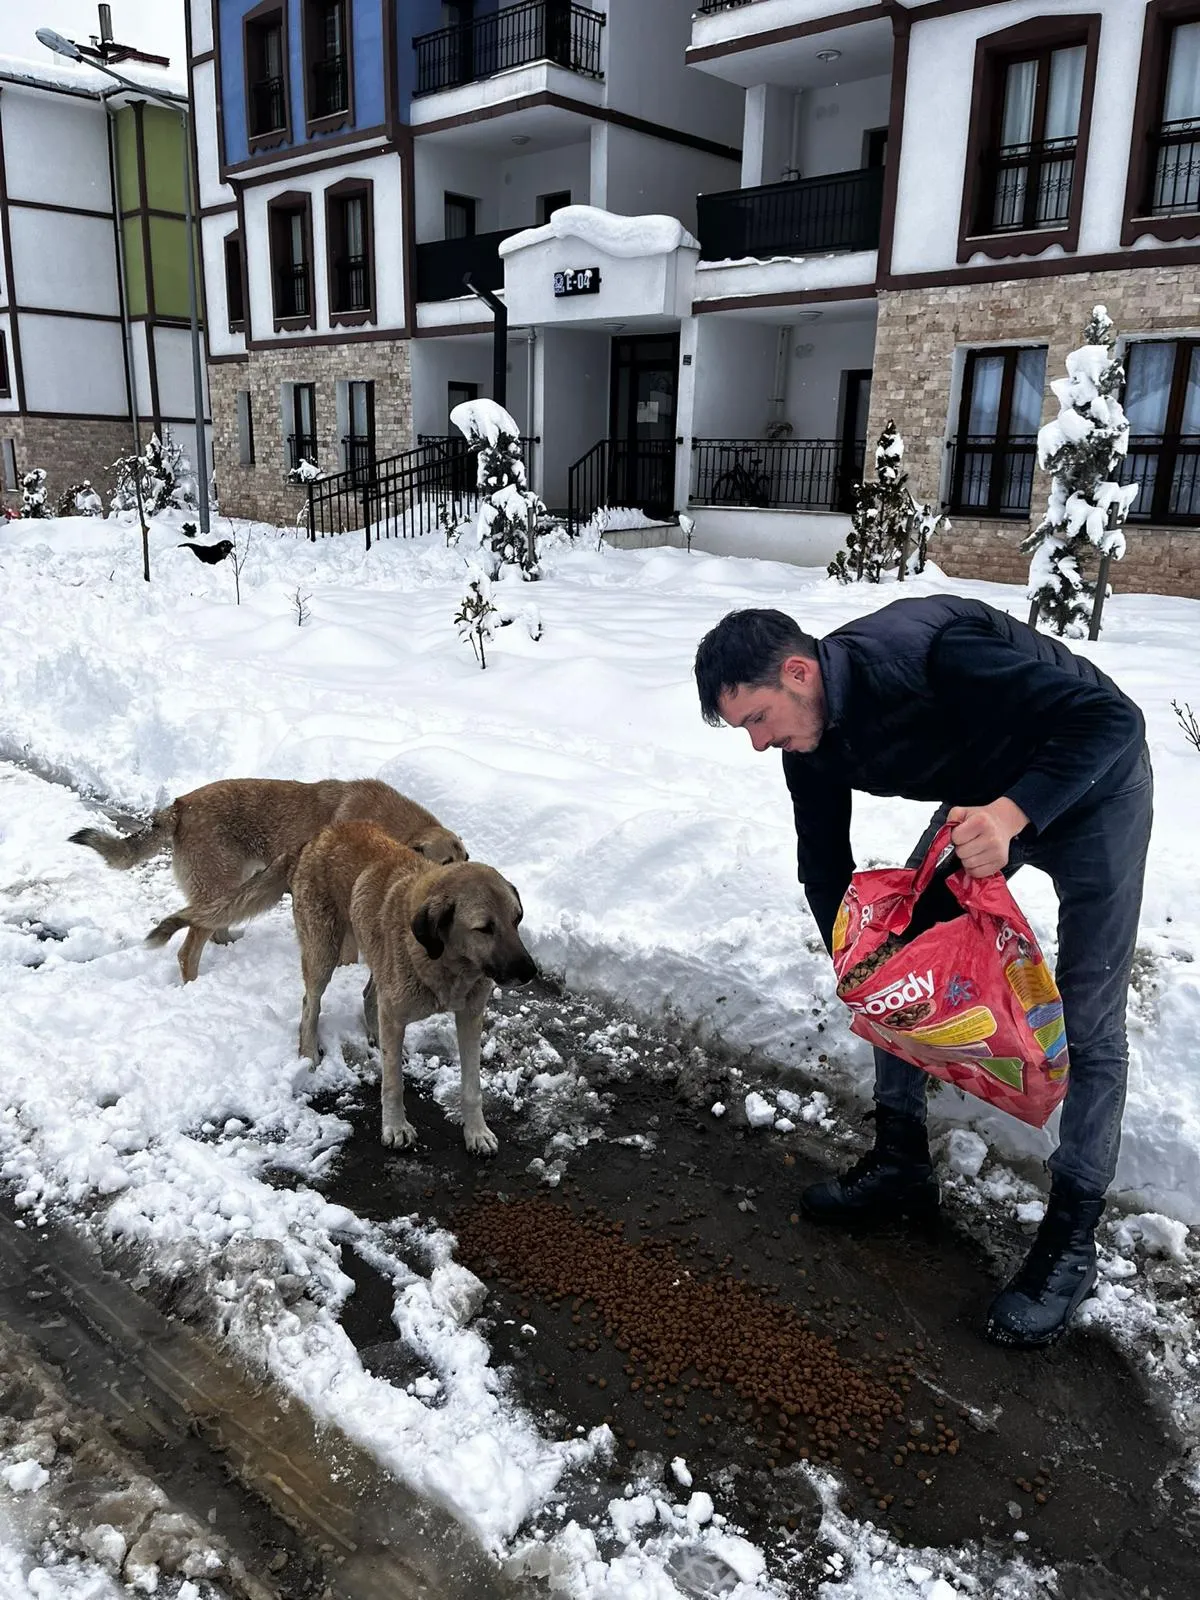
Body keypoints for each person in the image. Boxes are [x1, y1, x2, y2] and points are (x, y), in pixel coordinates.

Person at [693, 596, 1152, 1349]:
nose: (757, 743)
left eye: (756, 720)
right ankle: (901, 1161)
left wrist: (1010, 816)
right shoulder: (808, 743)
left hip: (1092, 788)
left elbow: (1111, 721)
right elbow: (824, 865)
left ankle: (1072, 1242)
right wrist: (859, 963)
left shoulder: (931, 654)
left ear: (799, 672)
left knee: (1090, 1015)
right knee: (895, 960)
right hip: (984, 803)